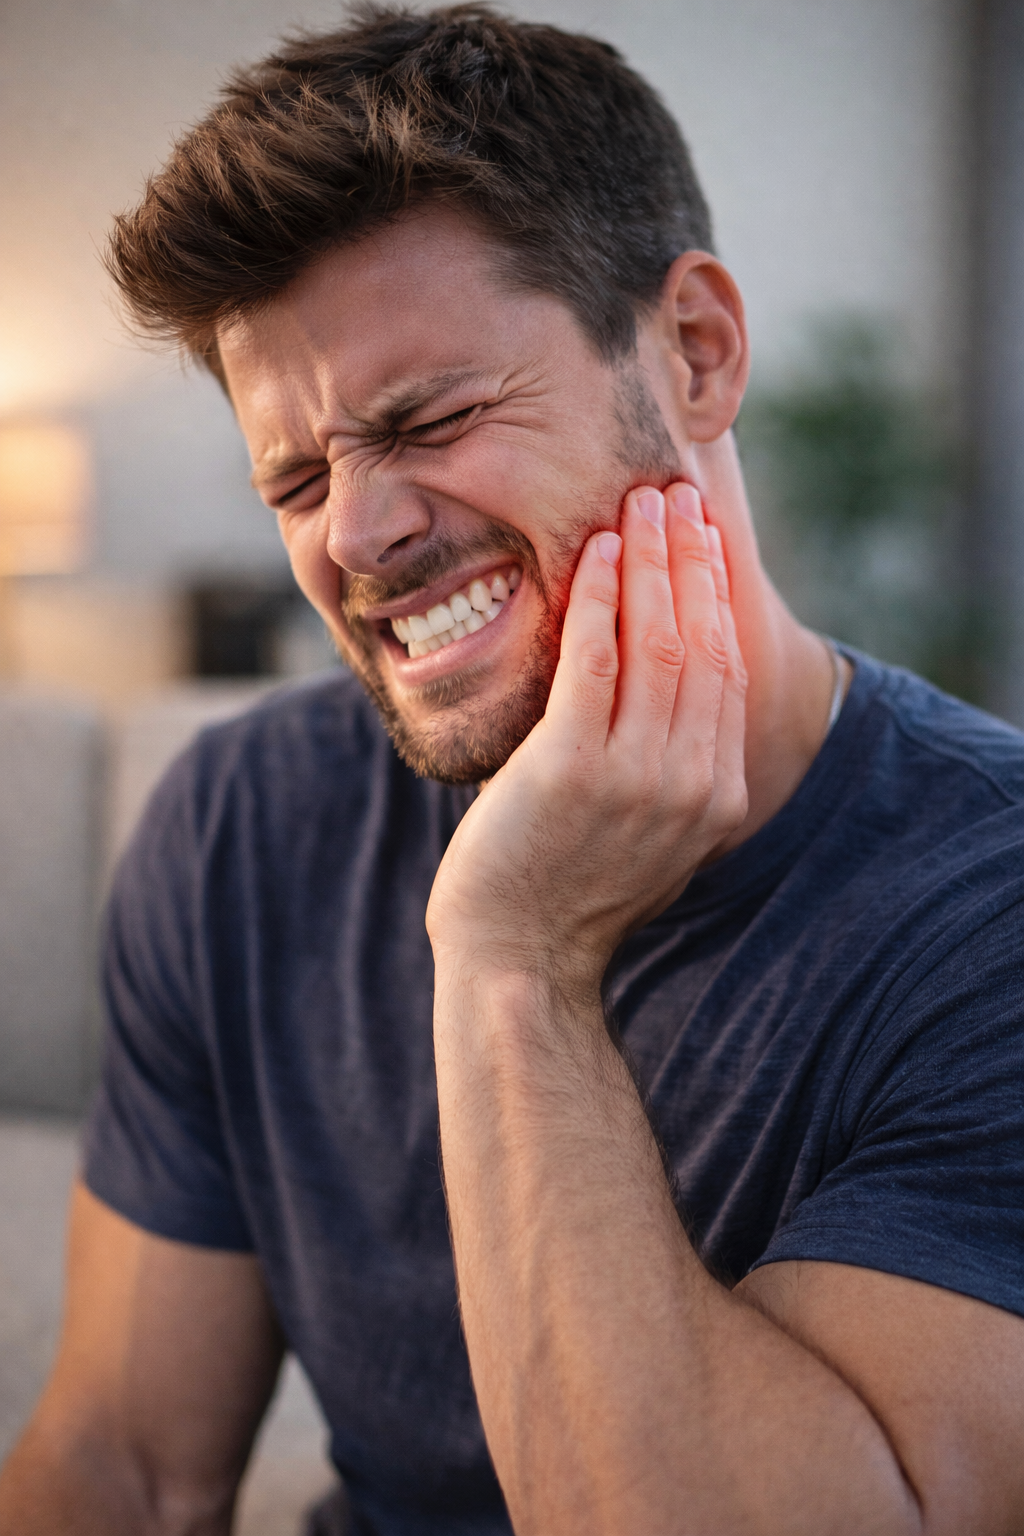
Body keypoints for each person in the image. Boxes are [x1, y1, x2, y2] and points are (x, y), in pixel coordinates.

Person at [2, 6, 1022, 1534]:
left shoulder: (989, 905)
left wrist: (516, 960)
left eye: (433, 418)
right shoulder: (238, 824)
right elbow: (126, 1472)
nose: (354, 538)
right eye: (294, 477)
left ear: (693, 354)